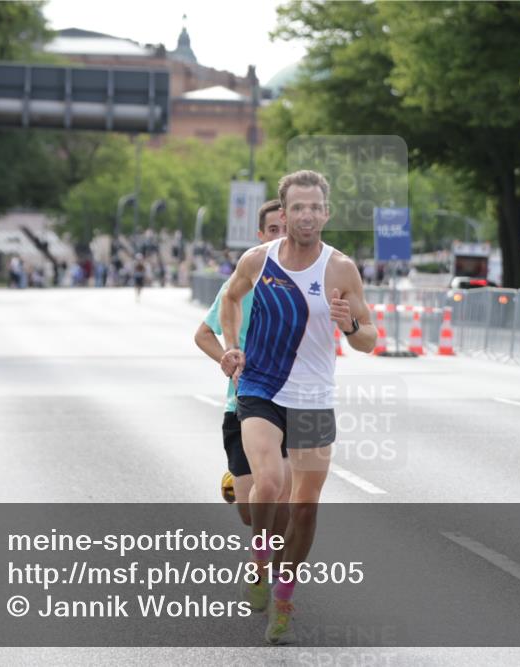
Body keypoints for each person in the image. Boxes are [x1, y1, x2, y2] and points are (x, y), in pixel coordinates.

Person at [219, 170, 377, 644]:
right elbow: (230, 299)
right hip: (261, 388)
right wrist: (232, 347)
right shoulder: (257, 260)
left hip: (313, 397)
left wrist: (350, 326)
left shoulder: (341, 269)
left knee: (305, 508)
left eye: (315, 207)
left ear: (326, 214)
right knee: (268, 482)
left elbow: (369, 339)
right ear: (283, 214)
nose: (306, 215)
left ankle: (284, 595)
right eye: (298, 207)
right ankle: (261, 559)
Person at [194, 200, 289, 527]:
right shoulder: (239, 286)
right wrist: (228, 358)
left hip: (293, 402)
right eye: (273, 230)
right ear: (260, 235)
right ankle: (237, 480)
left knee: (278, 497)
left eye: (286, 230)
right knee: (252, 512)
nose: (279, 237)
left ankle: (272, 570)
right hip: (243, 403)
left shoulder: (309, 284)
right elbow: (204, 334)